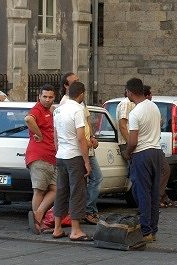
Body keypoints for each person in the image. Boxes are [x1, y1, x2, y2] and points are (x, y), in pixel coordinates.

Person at [122, 78, 163, 242]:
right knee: (154, 193)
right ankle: (153, 229)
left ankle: (146, 231)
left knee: (142, 193)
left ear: (130, 92)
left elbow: (133, 141)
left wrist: (127, 152)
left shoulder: (135, 113)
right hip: (156, 152)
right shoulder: (154, 107)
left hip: (142, 154)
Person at [60, 72, 103, 224]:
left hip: (84, 147)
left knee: (89, 181)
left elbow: (86, 121)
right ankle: (84, 212)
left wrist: (91, 136)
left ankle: (86, 211)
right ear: (66, 86)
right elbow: (75, 133)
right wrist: (86, 146)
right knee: (89, 180)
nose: (78, 84)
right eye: (74, 82)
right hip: (77, 150)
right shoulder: (66, 104)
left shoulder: (80, 103)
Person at [52, 81, 93, 241]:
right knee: (77, 191)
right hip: (74, 155)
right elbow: (81, 138)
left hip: (61, 154)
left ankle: (57, 228)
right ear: (81, 94)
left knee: (61, 191)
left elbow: (55, 136)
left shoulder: (58, 110)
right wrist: (86, 162)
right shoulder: (78, 109)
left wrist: (58, 151)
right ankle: (75, 230)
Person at [25, 84, 57, 234]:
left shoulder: (49, 111)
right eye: (44, 96)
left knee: (56, 189)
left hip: (50, 157)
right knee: (39, 190)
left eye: (50, 97)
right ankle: (38, 223)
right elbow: (28, 119)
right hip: (39, 156)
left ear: (54, 97)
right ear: (39, 96)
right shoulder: (37, 109)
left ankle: (38, 214)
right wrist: (39, 134)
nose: (47, 99)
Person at [143, 85, 177, 208]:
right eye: (150, 94)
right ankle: (157, 198)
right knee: (163, 170)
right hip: (150, 146)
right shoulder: (144, 108)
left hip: (154, 145)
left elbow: (160, 123)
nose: (152, 96)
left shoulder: (151, 107)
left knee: (161, 171)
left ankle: (160, 196)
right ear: (146, 95)